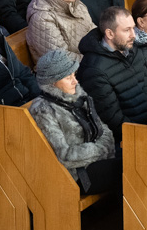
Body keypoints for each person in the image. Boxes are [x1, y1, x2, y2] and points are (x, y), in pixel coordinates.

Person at [29, 49, 119, 195]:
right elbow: (65, 156)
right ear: (52, 83)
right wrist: (100, 149)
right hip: (77, 175)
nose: (75, 81)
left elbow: (102, 128)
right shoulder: (43, 110)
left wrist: (103, 147)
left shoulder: (77, 94)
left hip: (98, 158)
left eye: (74, 75)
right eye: (67, 77)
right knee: (127, 170)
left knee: (136, 158)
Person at [76, 6, 147, 142]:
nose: (133, 35)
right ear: (110, 34)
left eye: (133, 28)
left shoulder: (132, 51)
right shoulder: (94, 70)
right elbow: (113, 120)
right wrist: (143, 136)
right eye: (126, 30)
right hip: (128, 139)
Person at [26, 0, 95, 63]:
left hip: (88, 63)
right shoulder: (41, 17)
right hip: (65, 75)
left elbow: (94, 32)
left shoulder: (77, 5)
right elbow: (60, 59)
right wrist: (96, 60)